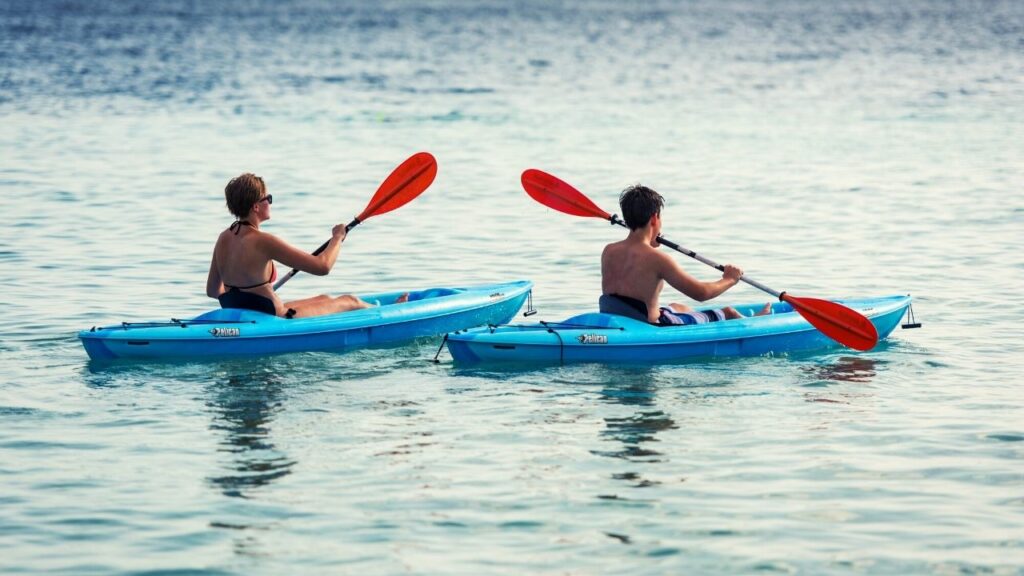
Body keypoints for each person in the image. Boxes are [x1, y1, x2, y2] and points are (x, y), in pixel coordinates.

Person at [206, 173, 404, 318]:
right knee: (350, 301)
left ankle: (378, 309)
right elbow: (322, 266)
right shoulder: (264, 241)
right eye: (268, 199)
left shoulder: (224, 238)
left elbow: (213, 291)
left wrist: (245, 300)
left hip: (251, 313)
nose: (270, 202)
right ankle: (394, 314)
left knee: (324, 297)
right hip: (277, 316)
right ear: (255, 207)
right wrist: (337, 238)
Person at [600, 184, 771, 326]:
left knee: (678, 306)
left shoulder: (609, 251)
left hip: (618, 320)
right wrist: (729, 279)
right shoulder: (658, 259)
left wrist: (649, 242)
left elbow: (633, 277)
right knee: (728, 312)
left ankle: (695, 319)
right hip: (650, 325)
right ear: (654, 219)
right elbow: (701, 294)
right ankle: (755, 323)